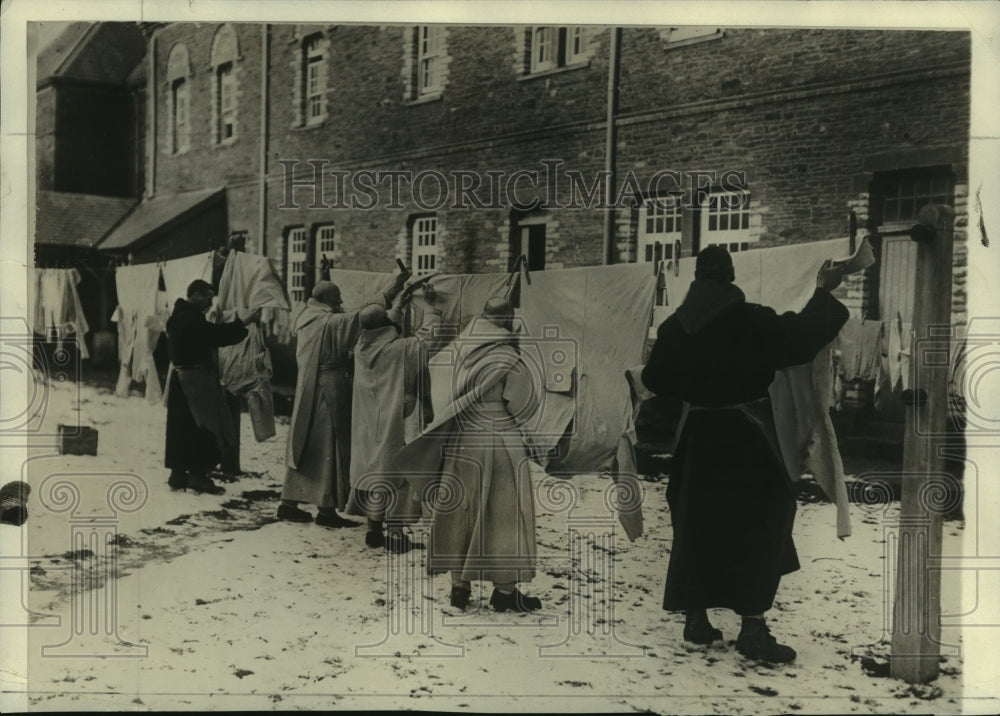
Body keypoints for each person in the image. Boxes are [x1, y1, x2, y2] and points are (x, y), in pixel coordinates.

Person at [641, 245, 848, 663]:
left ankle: (696, 622)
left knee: (696, 526)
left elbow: (655, 377)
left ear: (697, 279)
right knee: (759, 526)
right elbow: (802, 337)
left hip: (696, 440)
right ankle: (753, 629)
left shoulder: (673, 328)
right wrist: (824, 290)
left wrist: (694, 384)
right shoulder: (752, 320)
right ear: (731, 277)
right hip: (746, 441)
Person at [393, 298, 542, 613]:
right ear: (506, 322)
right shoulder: (509, 355)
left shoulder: (456, 350)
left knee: (461, 508)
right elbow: (521, 401)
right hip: (499, 438)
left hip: (461, 438)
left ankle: (459, 586)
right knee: (504, 514)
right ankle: (504, 590)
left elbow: (440, 391)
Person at [280, 273, 407, 527]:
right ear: (326, 299)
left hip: (309, 386)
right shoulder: (329, 322)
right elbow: (363, 316)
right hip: (329, 388)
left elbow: (350, 314)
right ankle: (326, 511)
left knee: (306, 445)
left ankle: (288, 503)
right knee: (329, 447)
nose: (341, 301)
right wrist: (396, 293)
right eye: (337, 298)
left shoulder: (307, 315)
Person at [347, 284, 447, 551]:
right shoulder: (400, 350)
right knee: (399, 472)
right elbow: (429, 339)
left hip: (369, 426)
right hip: (397, 421)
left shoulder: (361, 347)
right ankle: (396, 534)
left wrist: (398, 306)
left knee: (375, 472)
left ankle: (373, 528)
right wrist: (431, 307)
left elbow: (382, 324)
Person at [164, 279, 261, 495]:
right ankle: (199, 477)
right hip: (196, 382)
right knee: (205, 427)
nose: (210, 303)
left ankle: (178, 474)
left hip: (180, 380)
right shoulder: (191, 317)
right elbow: (214, 335)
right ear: (196, 295)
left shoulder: (178, 316)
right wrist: (244, 321)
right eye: (208, 298)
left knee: (180, 428)